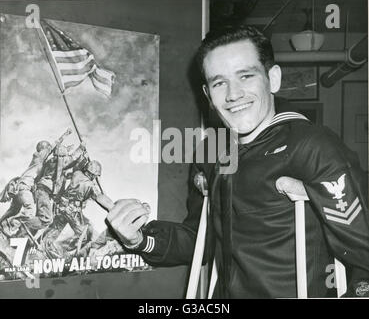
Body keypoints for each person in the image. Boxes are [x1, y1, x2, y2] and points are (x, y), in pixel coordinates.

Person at [106, 26, 369, 298]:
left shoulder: (313, 147)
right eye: (219, 83)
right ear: (208, 95)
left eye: (246, 76)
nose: (233, 94)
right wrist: (139, 239)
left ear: (273, 79)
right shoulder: (211, 151)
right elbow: (199, 240)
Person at [43, 160, 114, 259]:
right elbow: (102, 198)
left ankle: (46, 247)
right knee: (83, 236)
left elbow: (72, 171)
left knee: (56, 229)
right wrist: (100, 184)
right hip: (72, 210)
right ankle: (65, 252)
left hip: (60, 206)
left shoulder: (77, 173)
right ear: (93, 175)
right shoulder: (90, 186)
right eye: (95, 175)